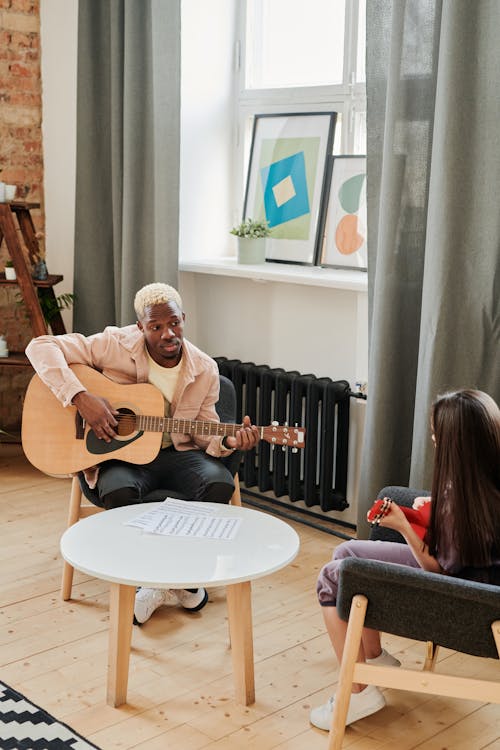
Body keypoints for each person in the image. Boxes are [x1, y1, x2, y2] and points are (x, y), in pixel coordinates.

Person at [25, 282, 260, 624]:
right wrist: (80, 397)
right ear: (140, 327)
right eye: (156, 327)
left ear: (184, 318)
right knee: (118, 490)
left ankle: (176, 578)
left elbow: (203, 430)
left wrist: (229, 442)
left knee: (218, 483)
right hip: (121, 457)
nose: (168, 334)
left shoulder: (204, 369)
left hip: (177, 453)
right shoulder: (114, 344)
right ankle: (148, 580)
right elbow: (40, 346)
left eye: (175, 323)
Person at [310, 389, 500, 730]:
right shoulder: (483, 482)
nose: (432, 438)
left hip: (462, 599)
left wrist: (402, 526)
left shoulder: (464, 502)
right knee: (346, 553)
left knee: (331, 578)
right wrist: (431, 510)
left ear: (456, 443)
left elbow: (438, 568)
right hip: (471, 579)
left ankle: (357, 692)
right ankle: (376, 659)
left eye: (435, 433)